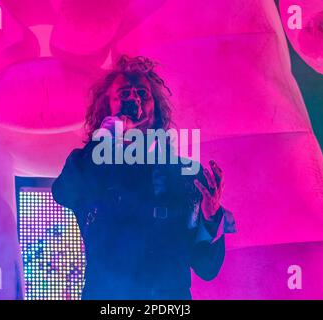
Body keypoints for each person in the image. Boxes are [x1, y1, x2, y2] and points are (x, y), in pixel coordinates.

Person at [52, 55, 235, 300]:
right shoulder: (90, 164)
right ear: (107, 107)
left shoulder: (184, 174)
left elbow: (206, 267)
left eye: (142, 93)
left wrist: (211, 219)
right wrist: (109, 135)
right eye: (124, 94)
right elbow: (64, 192)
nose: (134, 99)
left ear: (156, 109)